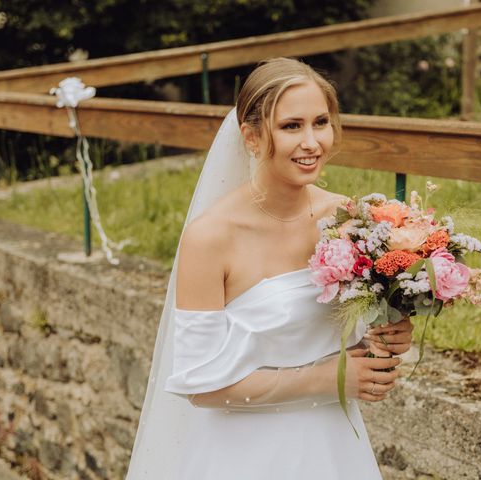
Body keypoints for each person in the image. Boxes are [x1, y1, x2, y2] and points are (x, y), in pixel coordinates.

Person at [125, 57, 413, 479]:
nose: (312, 141)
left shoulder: (349, 220)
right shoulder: (210, 239)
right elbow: (201, 385)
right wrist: (333, 379)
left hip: (333, 448)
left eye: (320, 122)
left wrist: (389, 332)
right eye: (292, 126)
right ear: (253, 136)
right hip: (243, 455)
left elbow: (351, 336)